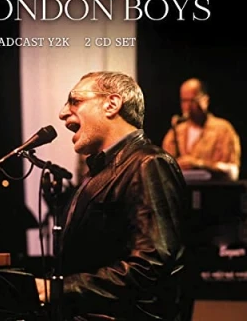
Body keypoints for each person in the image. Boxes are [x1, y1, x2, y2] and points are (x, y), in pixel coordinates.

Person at [36, 71, 189, 320]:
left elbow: (151, 266)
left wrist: (57, 289)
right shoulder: (103, 169)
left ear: (112, 104)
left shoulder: (149, 163)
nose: (63, 113)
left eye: (75, 101)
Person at [162, 78, 241, 181]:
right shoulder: (176, 131)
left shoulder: (223, 129)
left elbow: (233, 172)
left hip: (214, 189)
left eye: (193, 101)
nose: (188, 106)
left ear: (205, 100)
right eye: (184, 101)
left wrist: (200, 164)